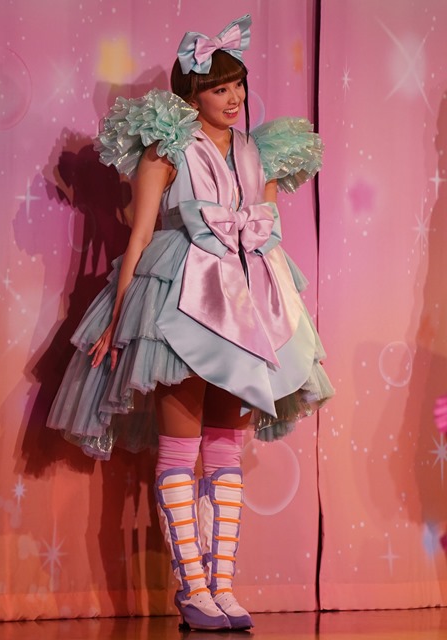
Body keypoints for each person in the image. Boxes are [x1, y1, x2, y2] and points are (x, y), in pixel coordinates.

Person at [47, 14, 334, 631]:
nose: (233, 98)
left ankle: (222, 586)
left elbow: (266, 232)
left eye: (238, 86)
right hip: (183, 297)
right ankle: (192, 589)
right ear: (192, 94)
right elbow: (141, 233)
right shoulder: (169, 147)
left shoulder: (258, 151)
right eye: (217, 87)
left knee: (226, 445)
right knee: (181, 444)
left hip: (247, 301)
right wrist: (118, 320)